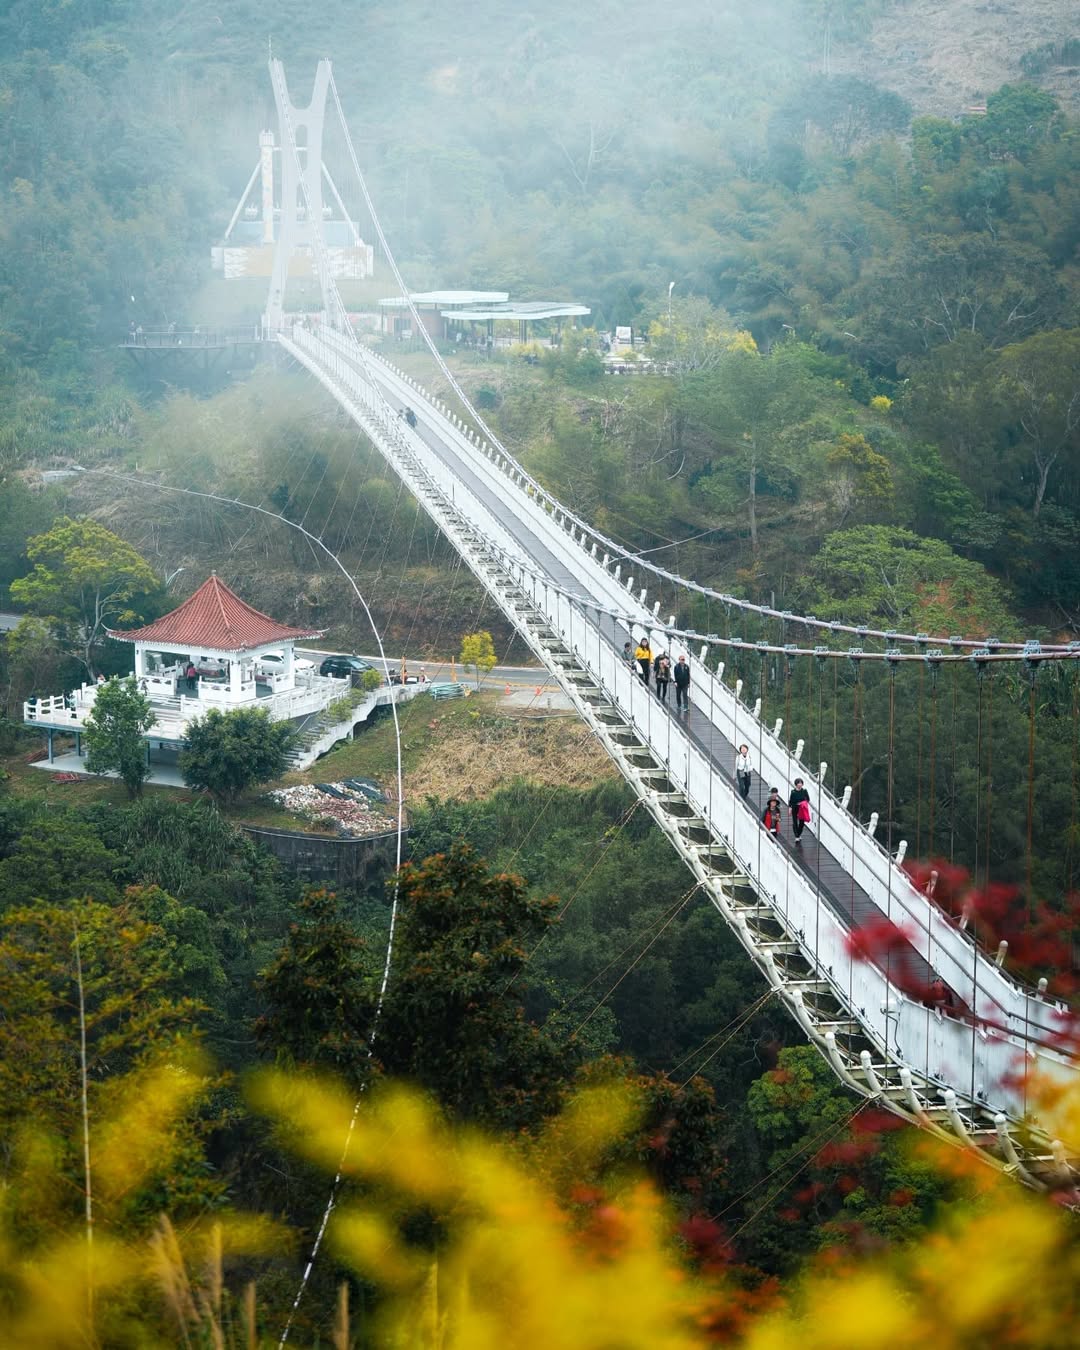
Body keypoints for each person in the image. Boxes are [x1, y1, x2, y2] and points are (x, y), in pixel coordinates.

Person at [789, 778, 811, 844]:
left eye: (801, 783)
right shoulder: (793, 792)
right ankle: (797, 836)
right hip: (795, 808)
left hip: (802, 808)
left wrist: (803, 802)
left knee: (801, 822)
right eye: (798, 783)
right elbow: (791, 801)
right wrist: (790, 808)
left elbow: (808, 799)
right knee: (795, 822)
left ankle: (798, 834)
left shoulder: (804, 791)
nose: (800, 784)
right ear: (796, 784)